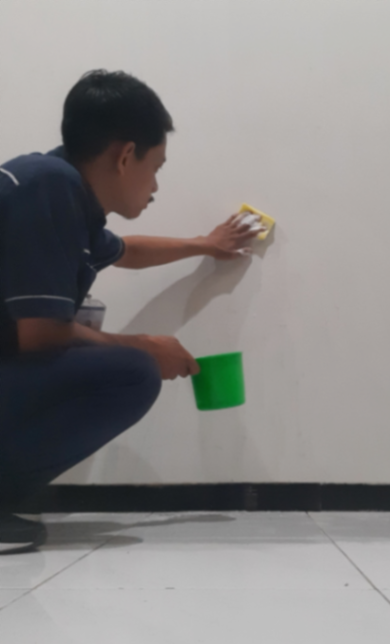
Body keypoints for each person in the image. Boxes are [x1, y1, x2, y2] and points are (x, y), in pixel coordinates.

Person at [0, 70, 262, 554]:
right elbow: (40, 334)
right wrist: (144, 347)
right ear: (125, 156)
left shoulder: (54, 184)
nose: (156, 185)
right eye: (156, 166)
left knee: (118, 360)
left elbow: (126, 251)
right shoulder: (50, 187)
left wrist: (204, 244)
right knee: (132, 372)